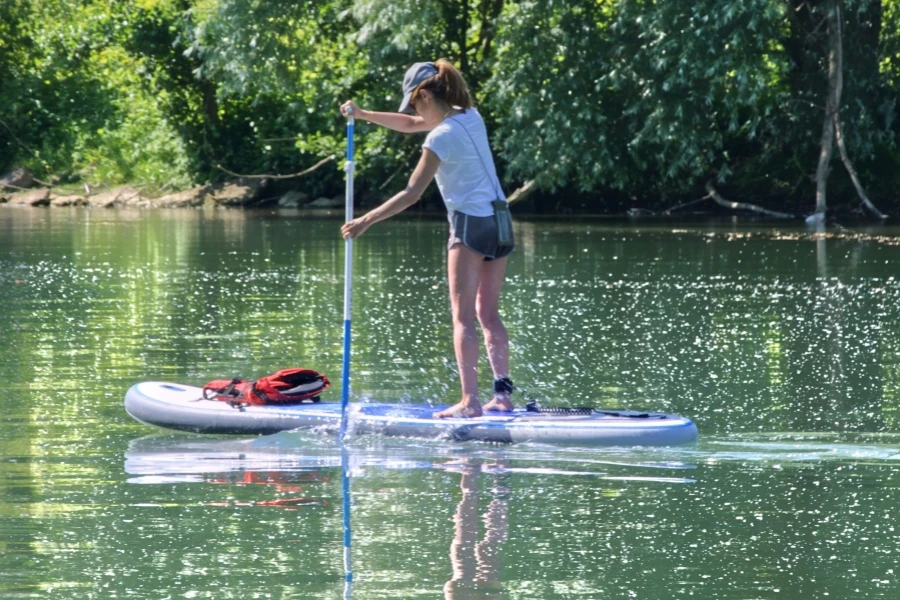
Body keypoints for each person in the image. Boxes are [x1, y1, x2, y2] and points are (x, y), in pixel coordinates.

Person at [340, 59, 514, 418]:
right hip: (501, 221)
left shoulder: (440, 138)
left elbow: (411, 193)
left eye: (414, 101)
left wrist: (366, 220)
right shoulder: (470, 116)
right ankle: (503, 395)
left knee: (463, 318)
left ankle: (470, 402)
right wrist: (363, 113)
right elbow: (410, 124)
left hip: (470, 226)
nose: (413, 110)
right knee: (488, 314)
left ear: (423, 94)